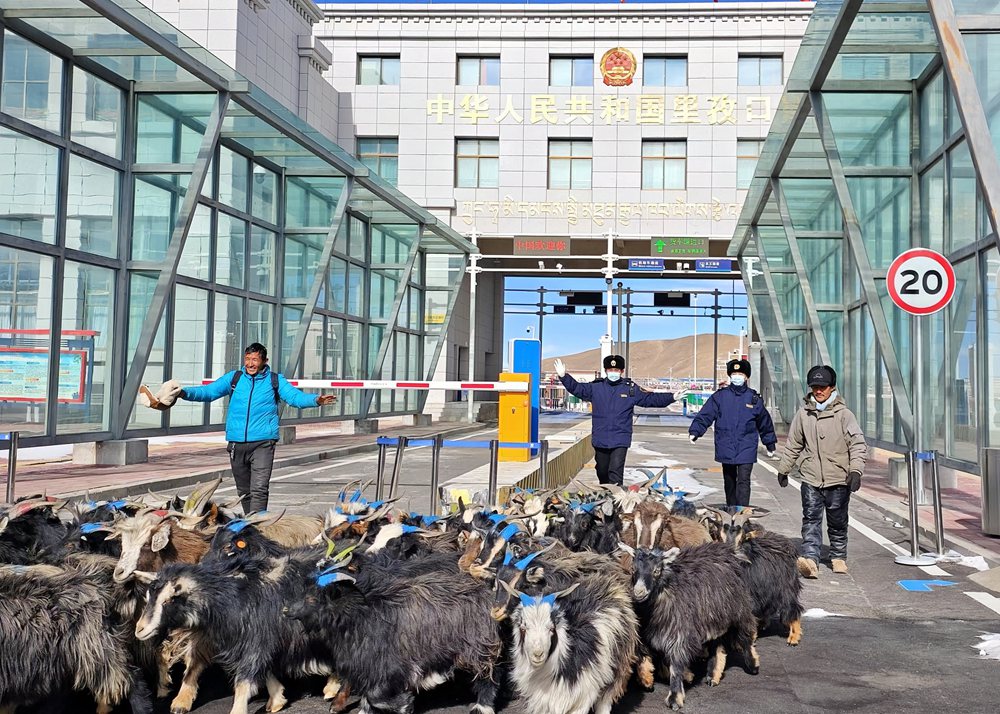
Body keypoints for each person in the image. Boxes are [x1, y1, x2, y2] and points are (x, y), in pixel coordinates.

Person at [140, 343, 336, 514]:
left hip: (263, 443)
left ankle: (257, 525)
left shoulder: (275, 380)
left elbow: (294, 397)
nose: (250, 364)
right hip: (236, 443)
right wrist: (182, 393)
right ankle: (250, 523)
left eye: (255, 360)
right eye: (247, 359)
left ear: (264, 361)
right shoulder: (234, 378)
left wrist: (316, 400)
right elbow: (208, 392)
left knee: (259, 489)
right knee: (244, 491)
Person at [776, 365, 867, 578]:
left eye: (823, 387)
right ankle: (811, 559)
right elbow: (794, 444)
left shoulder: (844, 415)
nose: (818, 391)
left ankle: (838, 556)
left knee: (837, 520)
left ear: (832, 387)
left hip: (838, 478)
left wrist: (856, 471)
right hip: (811, 477)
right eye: (815, 386)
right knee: (810, 519)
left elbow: (857, 444)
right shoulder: (803, 415)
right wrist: (784, 469)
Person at [555, 354, 681, 486]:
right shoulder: (596, 387)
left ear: (622, 371)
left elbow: (650, 399)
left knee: (615, 472)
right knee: (602, 471)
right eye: (610, 370)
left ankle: (615, 496)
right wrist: (564, 377)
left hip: (620, 438)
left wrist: (671, 397)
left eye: (616, 370)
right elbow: (577, 388)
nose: (613, 372)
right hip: (601, 437)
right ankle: (606, 491)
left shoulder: (630, 389)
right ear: (606, 371)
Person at [688, 359, 778, 508]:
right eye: (734, 373)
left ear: (746, 377)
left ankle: (741, 511)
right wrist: (696, 431)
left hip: (746, 446)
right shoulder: (720, 396)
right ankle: (731, 508)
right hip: (726, 444)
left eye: (740, 374)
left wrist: (770, 443)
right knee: (729, 480)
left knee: (744, 480)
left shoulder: (754, 399)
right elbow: (706, 415)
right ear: (730, 376)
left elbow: (764, 422)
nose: (737, 376)